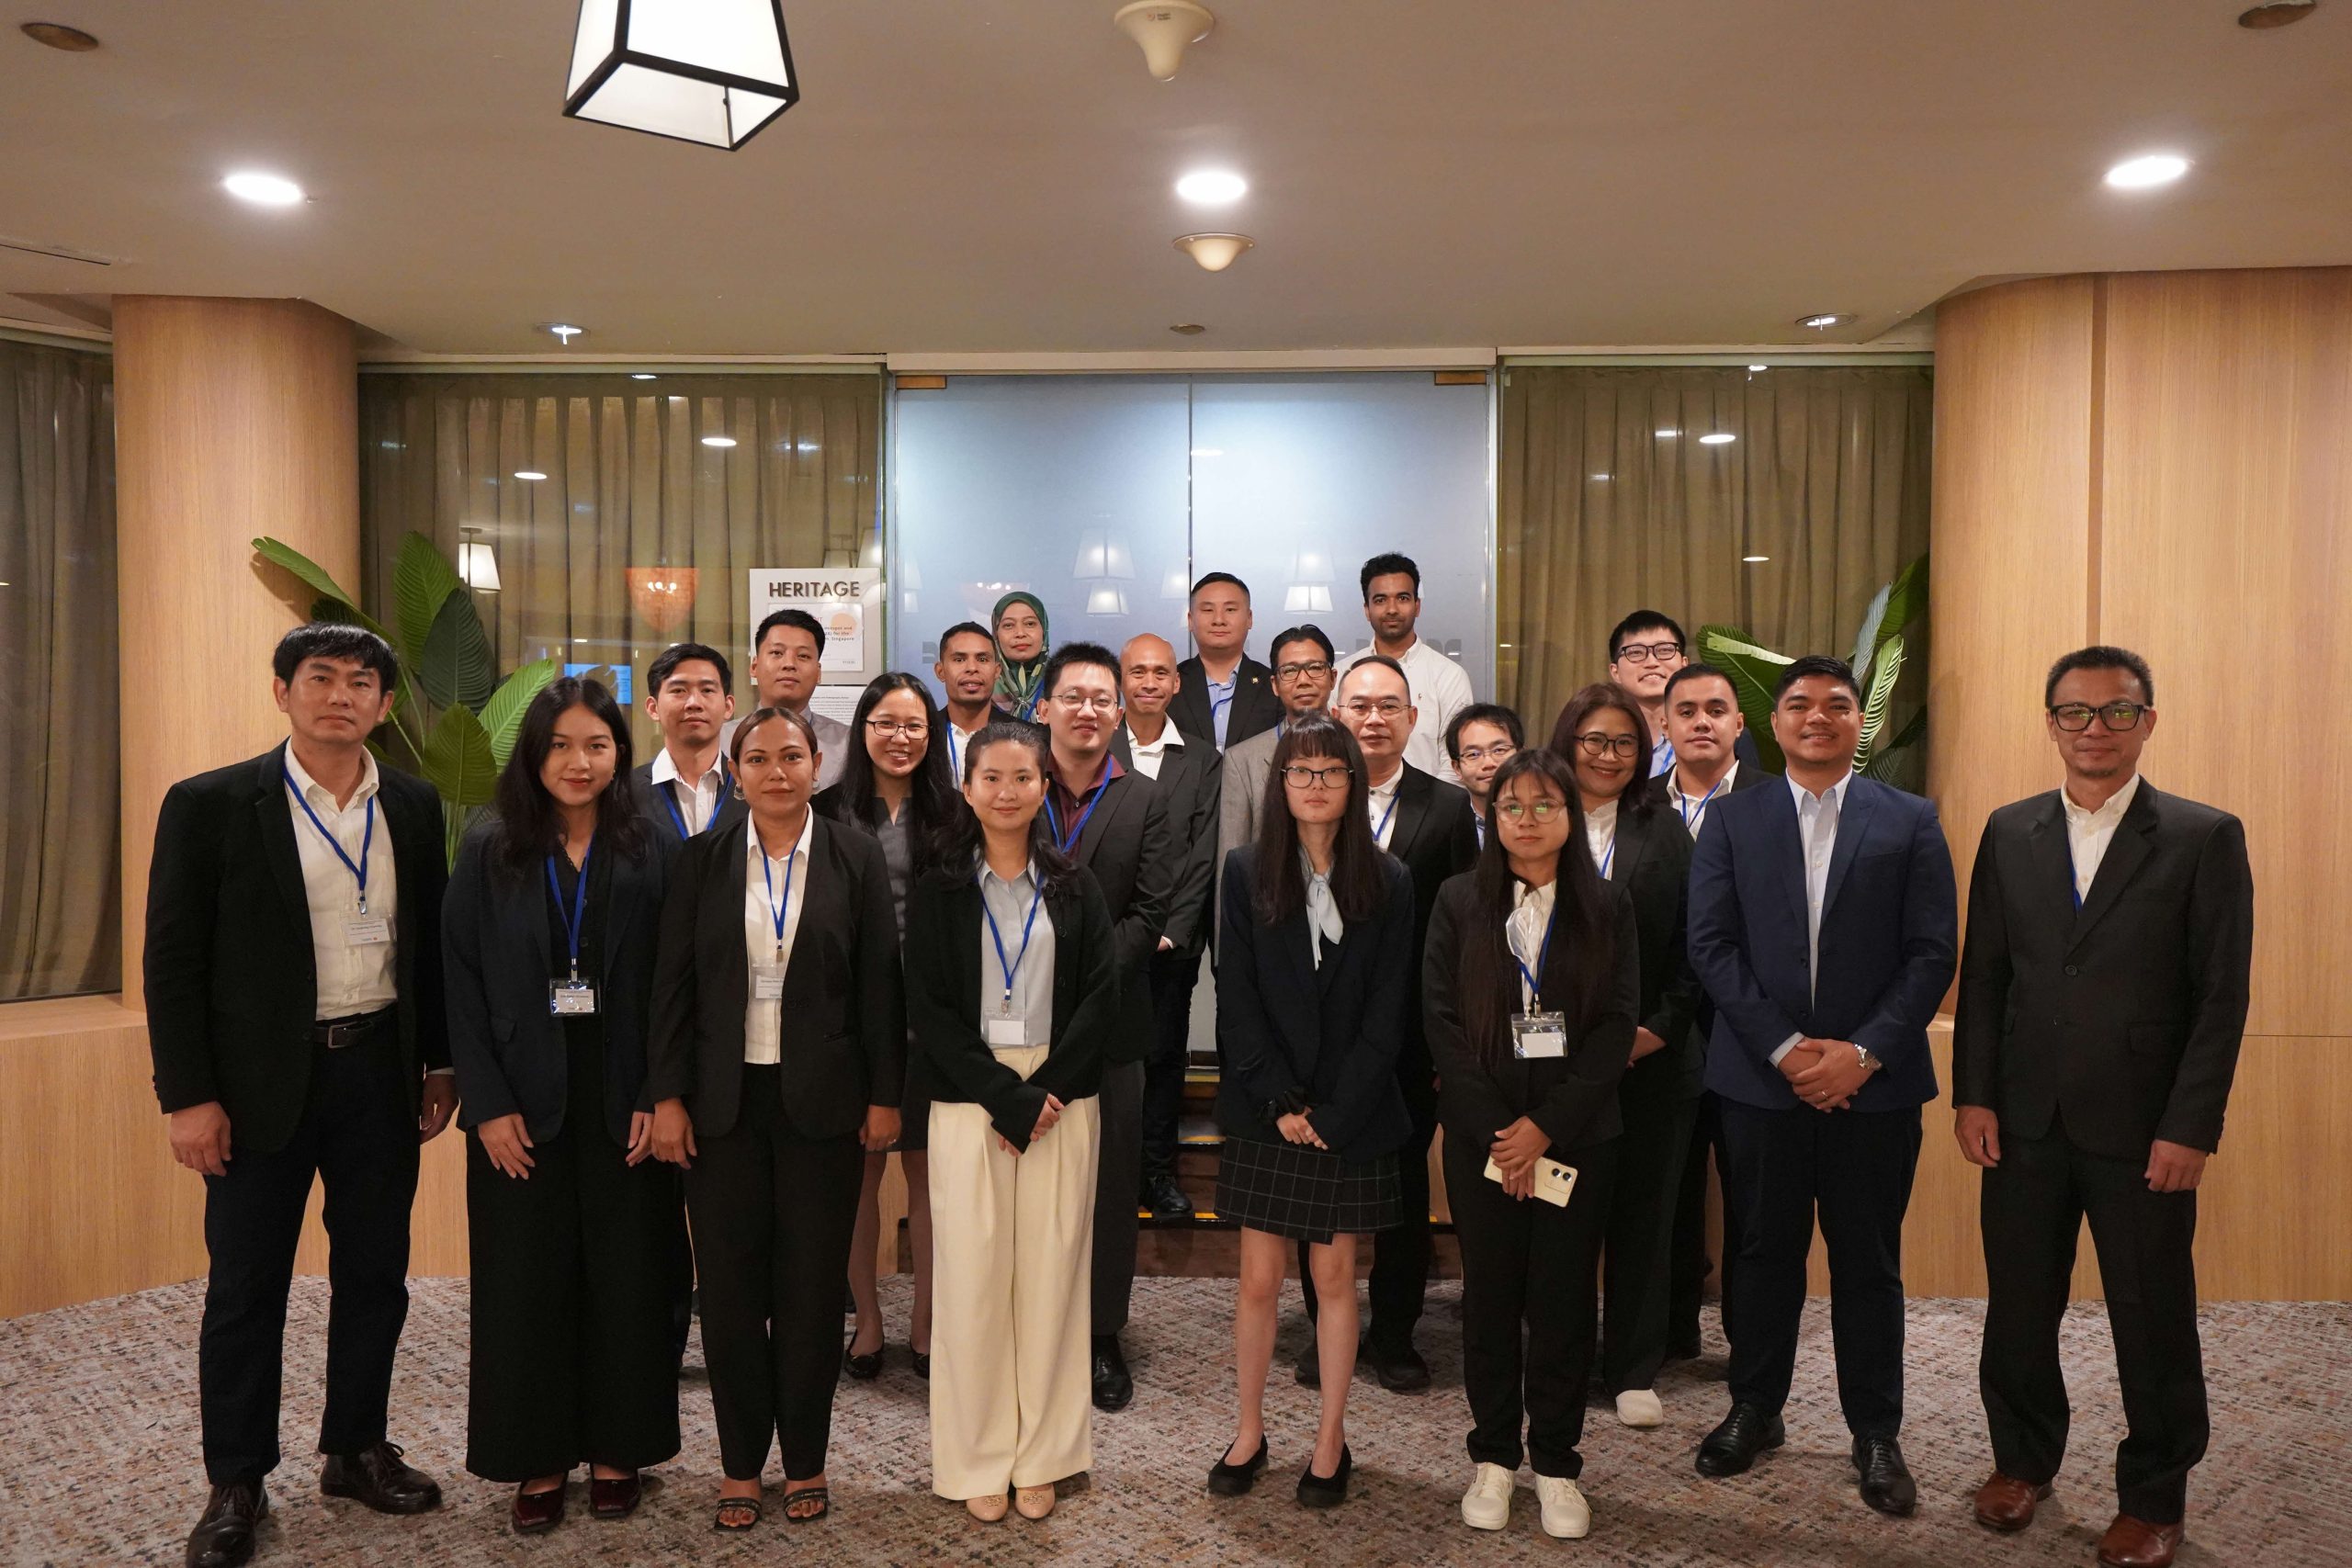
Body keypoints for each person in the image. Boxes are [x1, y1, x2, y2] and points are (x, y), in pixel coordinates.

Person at [146, 623, 455, 1568]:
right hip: (256, 1086)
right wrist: (188, 1096)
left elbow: (429, 944)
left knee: (374, 1274)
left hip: (375, 1071)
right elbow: (173, 959)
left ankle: (355, 1447)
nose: (341, 696)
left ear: (386, 705)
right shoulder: (210, 804)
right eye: (320, 678)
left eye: (362, 683)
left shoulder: (410, 801)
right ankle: (236, 1480)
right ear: (282, 690)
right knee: (246, 1287)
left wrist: (437, 1063)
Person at [1953, 647, 2253, 1568]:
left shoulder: (2203, 836)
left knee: (2149, 1315)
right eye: (2074, 713)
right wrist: (1973, 1095)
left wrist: (2190, 1126)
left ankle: (2154, 1494)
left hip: (2143, 1130)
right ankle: (2021, 1461)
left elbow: (2219, 997)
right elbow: (1987, 980)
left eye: (2115, 713)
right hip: (2024, 1120)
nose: (2094, 730)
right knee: (2018, 1308)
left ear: (2147, 722)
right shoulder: (2009, 832)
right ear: (2050, 723)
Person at [1687, 655, 1957, 1517]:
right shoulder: (1732, 820)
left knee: (1867, 1262)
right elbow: (1711, 945)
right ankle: (1755, 1407)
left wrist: (1863, 1052)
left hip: (1874, 1089)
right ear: (1776, 722)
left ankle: (1875, 1428)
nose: (1816, 716)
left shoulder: (1911, 818)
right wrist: (1789, 1050)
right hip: (1763, 1084)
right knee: (1762, 1253)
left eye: (1835, 705)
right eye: (1798, 703)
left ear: (1857, 722)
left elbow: (1931, 952)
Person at [646, 706, 904, 1532]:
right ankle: (737, 1463)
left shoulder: (854, 855)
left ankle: (806, 1458)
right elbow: (673, 989)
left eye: (792, 755)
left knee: (809, 1288)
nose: (777, 771)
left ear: (818, 762)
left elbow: (878, 988)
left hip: (822, 1106)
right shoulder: (701, 858)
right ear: (737, 769)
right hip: (723, 1104)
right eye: (757, 758)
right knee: (726, 1292)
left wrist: (883, 1093)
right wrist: (669, 1096)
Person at [441, 678, 684, 1532]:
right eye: (559, 746)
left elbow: (673, 984)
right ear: (533, 754)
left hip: (627, 1097)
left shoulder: (650, 844)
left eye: (597, 746)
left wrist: (663, 1089)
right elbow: (459, 983)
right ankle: (536, 1456)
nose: (578, 763)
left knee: (630, 1276)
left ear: (620, 753)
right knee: (524, 1282)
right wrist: (488, 1102)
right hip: (520, 1100)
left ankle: (622, 1450)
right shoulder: (490, 844)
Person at [906, 720, 1118, 1522]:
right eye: (989, 777)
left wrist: (1043, 1092)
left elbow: (1102, 995)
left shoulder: (1075, 887)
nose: (1006, 791)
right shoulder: (940, 889)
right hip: (971, 1101)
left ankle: (1046, 1454)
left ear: (1043, 786)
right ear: (967, 788)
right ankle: (978, 1455)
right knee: (971, 1282)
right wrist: (1005, 1096)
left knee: (1055, 1277)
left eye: (1021, 777)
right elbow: (927, 1005)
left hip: (1061, 1099)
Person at [1426, 750, 1640, 1540]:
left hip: (1577, 1136)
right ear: (1491, 816)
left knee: (1560, 1300)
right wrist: (1499, 1134)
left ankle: (1555, 1462)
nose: (1525, 818)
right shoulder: (1456, 901)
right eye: (1510, 805)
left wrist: (1544, 1128)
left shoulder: (1607, 905)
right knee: (1488, 1298)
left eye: (1544, 804)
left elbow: (1618, 1025)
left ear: (1570, 814)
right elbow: (1441, 1024)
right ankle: (1492, 1456)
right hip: (1483, 1141)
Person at [1210, 713, 1416, 1509]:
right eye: (1303, 772)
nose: (1318, 784)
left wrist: (1335, 1108)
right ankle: (1250, 1430)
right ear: (1281, 784)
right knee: (1258, 1280)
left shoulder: (1390, 878)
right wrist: (1279, 1099)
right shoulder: (1243, 870)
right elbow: (1237, 996)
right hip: (1269, 1107)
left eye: (1333, 771)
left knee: (1335, 1276)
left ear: (1353, 784)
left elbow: (1388, 1010)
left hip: (1350, 1111)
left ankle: (1331, 1438)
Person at [1306, 654, 1479, 1390]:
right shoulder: (1311, 797)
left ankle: (1396, 1334)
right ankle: (1323, 1330)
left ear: (1414, 719)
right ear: (1337, 714)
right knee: (1321, 1191)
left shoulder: (1445, 809)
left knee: (1404, 1194)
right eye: (1360, 705)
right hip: (1321, 1040)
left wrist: (1448, 1040)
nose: (1373, 719)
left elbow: (1464, 931)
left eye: (1389, 706)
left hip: (1410, 1039)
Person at [1547, 683, 1701, 1429]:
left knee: (1645, 1211)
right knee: (1563, 1213)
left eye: (1625, 743)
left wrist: (1657, 1029)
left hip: (1647, 1059)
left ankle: (1635, 1364)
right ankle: (1560, 1356)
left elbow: (1694, 945)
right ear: (1567, 740)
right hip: (1553, 1063)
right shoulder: (1536, 817)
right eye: (1594, 740)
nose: (1608, 755)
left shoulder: (1665, 829)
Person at [1033, 641, 1176, 1411]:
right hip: (1016, 1023)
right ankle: (1033, 1327)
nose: (1088, 709)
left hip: (1114, 1023)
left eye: (1102, 698)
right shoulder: (1014, 778)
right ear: (1046, 706)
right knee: (1029, 1179)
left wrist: (1083, 986)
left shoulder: (1146, 798)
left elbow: (1150, 908)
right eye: (1073, 695)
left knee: (1108, 1183)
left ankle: (1100, 1333)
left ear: (1120, 714)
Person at [817, 672, 962, 1382]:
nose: (900, 738)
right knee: (859, 1177)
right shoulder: (825, 811)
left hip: (934, 1023)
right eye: (885, 723)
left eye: (914, 726)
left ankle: (927, 1321)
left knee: (930, 1176)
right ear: (862, 730)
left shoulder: (956, 816)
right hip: (853, 1021)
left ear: (930, 737)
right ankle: (868, 1319)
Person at [1659, 661, 1774, 1361]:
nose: (1701, 721)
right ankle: (1669, 1332)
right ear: (1664, 725)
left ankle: (1750, 1342)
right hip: (1660, 1036)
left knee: (1751, 1201)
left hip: (1751, 1035)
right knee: (1665, 1195)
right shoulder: (1636, 804)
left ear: (1738, 723)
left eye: (1716, 709)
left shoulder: (1778, 800)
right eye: (1687, 710)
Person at [1114, 632, 1224, 1219]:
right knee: (1108, 1060)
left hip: (1168, 946)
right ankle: (1109, 1173)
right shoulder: (1095, 745)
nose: (1150, 682)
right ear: (1121, 680)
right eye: (1138, 672)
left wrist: (1171, 929)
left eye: (1161, 673)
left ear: (1176, 682)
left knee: (1162, 1058)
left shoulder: (1203, 759)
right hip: (1105, 944)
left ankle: (1157, 1174)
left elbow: (1203, 853)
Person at [1216, 625, 1339, 928]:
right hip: (1270, 922)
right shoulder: (1241, 760)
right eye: (1290, 671)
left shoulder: (1356, 751)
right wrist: (1226, 959)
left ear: (1333, 677)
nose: (1304, 680)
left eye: (1315, 667)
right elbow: (1228, 868)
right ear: (1274, 684)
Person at [1333, 553, 1474, 777]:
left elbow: (1456, 760)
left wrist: (1431, 810)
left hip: (1428, 807)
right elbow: (1334, 753)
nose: (1392, 609)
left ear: (1417, 606)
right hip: (1355, 806)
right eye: (1380, 600)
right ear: (1366, 610)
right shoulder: (1341, 675)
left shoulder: (1448, 676)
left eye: (1402, 598)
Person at [1606, 611, 1762, 779]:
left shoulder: (1727, 734)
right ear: (1615, 672)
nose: (1651, 662)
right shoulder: (1602, 738)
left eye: (1665, 650)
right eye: (1635, 652)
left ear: (1683, 663)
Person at [635, 640, 744, 841]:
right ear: (653, 708)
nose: (694, 703)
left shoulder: (752, 785)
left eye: (707, 690)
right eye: (678, 691)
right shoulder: (624, 792)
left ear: (728, 706)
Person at [1171, 571, 1281, 750]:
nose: (1219, 620)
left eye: (1230, 610)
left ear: (1249, 618)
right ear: (1190, 620)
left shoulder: (1273, 686)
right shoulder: (1169, 685)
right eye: (1208, 610)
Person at [751, 608, 851, 790]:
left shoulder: (848, 744)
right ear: (754, 667)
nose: (789, 664)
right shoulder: (723, 740)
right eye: (777, 653)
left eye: (803, 656)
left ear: (818, 673)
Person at [933, 620, 1004, 778]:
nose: (972, 668)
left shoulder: (1024, 737)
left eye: (982, 659)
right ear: (940, 671)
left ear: (997, 671)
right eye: (959, 660)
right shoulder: (924, 734)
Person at [1444, 703, 1522, 847]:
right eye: (1473, 754)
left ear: (1521, 755)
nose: (1488, 763)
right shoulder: (1445, 830)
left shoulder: (1543, 817)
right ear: (1457, 768)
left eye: (1499, 750)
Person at [989, 592, 1052, 724]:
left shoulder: (1061, 681)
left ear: (1044, 630)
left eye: (1030, 624)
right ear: (996, 634)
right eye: (1008, 625)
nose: (1020, 633)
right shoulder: (983, 684)